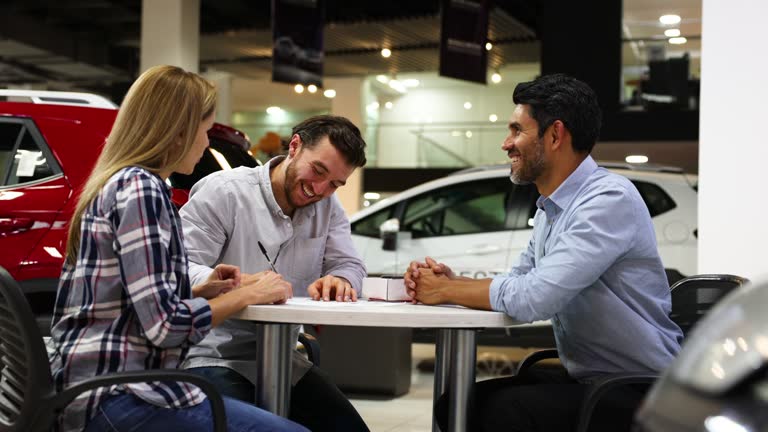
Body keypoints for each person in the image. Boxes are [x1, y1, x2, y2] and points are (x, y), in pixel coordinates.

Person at [404, 74, 683, 432]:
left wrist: (445, 291)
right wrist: (455, 282)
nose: (507, 143)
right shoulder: (551, 209)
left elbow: (536, 297)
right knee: (455, 405)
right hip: (592, 381)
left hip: (640, 390)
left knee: (502, 412)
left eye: (517, 130)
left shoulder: (608, 200)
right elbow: (520, 279)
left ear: (554, 135)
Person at [49, 65, 307, 432]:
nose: (205, 144)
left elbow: (125, 300)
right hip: (119, 393)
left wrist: (200, 289)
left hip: (89, 386)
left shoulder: (117, 182)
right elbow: (166, 327)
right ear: (178, 132)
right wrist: (247, 295)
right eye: (204, 132)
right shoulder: (143, 191)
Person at [179, 115, 370, 432]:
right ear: (295, 146)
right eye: (318, 171)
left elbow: (350, 264)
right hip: (211, 356)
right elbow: (180, 269)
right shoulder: (225, 193)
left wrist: (342, 279)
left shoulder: (328, 206)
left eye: (335, 183)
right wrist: (240, 284)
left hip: (285, 360)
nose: (319, 189)